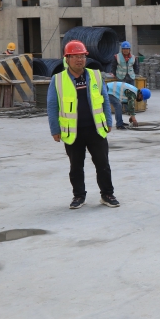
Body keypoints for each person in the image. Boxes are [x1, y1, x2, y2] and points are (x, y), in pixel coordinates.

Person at [47, 40, 118, 209]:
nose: (79, 60)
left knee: (103, 164)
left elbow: (104, 99)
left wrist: (109, 121)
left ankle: (107, 194)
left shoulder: (96, 75)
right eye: (75, 56)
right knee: (76, 167)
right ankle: (78, 196)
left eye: (82, 56)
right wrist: (55, 129)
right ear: (67, 59)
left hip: (96, 129)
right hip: (73, 131)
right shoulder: (58, 79)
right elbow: (52, 105)